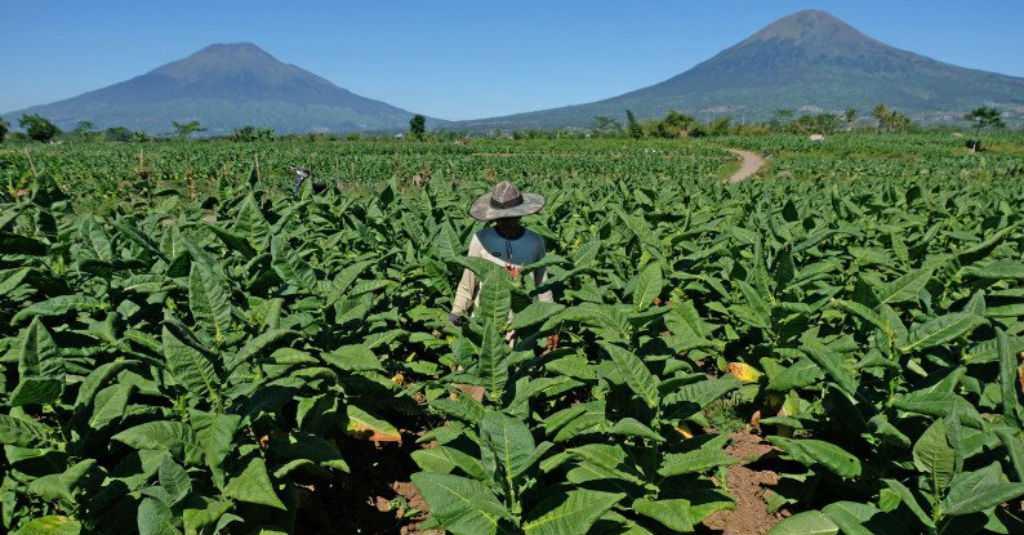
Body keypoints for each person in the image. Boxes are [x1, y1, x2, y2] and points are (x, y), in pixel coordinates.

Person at [449, 181, 558, 351]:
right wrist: (457, 312)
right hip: (485, 322)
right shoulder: (481, 239)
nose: (506, 222)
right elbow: (467, 283)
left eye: (511, 217)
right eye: (502, 218)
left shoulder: (535, 242)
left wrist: (552, 322)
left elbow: (542, 286)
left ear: (521, 215)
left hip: (523, 323)